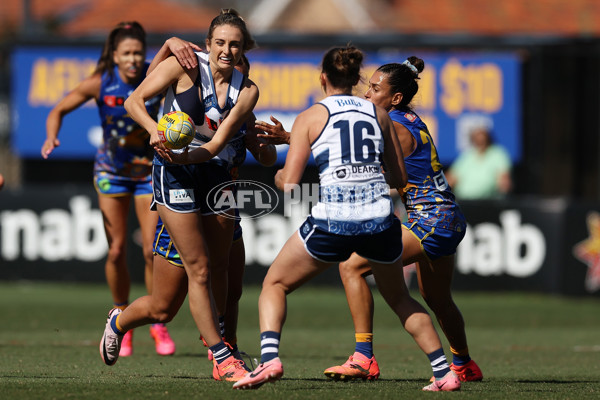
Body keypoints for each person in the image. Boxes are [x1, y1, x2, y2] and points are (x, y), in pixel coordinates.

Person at [233, 46, 461, 392]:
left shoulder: (311, 116)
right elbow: (399, 179)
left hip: (336, 219)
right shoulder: (379, 115)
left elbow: (291, 182)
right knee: (400, 298)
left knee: (275, 285)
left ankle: (269, 360)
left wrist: (280, 175)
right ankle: (445, 372)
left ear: (323, 78)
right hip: (380, 220)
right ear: (357, 81)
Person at [98, 9, 260, 382]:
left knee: (176, 299)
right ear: (207, 44)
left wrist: (188, 152)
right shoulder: (183, 68)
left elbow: (218, 143)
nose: (227, 50)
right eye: (220, 42)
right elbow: (134, 101)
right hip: (173, 174)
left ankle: (127, 321)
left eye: (234, 44)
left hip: (213, 174)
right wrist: (155, 130)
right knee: (198, 270)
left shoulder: (247, 91)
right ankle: (221, 355)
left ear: (242, 49)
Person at [320, 59, 483, 383]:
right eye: (369, 86)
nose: (367, 94)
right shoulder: (407, 118)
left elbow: (349, 153)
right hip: (447, 217)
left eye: (376, 89)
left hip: (431, 220)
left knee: (351, 266)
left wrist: (292, 139)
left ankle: (363, 357)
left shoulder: (391, 124)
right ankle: (463, 363)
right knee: (437, 298)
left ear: (395, 98)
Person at [41, 21, 176, 358]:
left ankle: (156, 324)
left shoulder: (154, 75)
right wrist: (51, 135)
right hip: (111, 173)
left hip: (148, 172)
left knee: (150, 250)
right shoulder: (100, 83)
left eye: (137, 53)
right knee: (116, 250)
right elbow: (58, 109)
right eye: (126, 53)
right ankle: (119, 313)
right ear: (114, 56)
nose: (132, 59)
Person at [445, 126, 512, 200]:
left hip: (487, 202)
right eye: (477, 139)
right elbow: (451, 178)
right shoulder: (467, 156)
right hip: (464, 201)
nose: (480, 141)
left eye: (483, 139)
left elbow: (504, 179)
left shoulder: (498, 154)